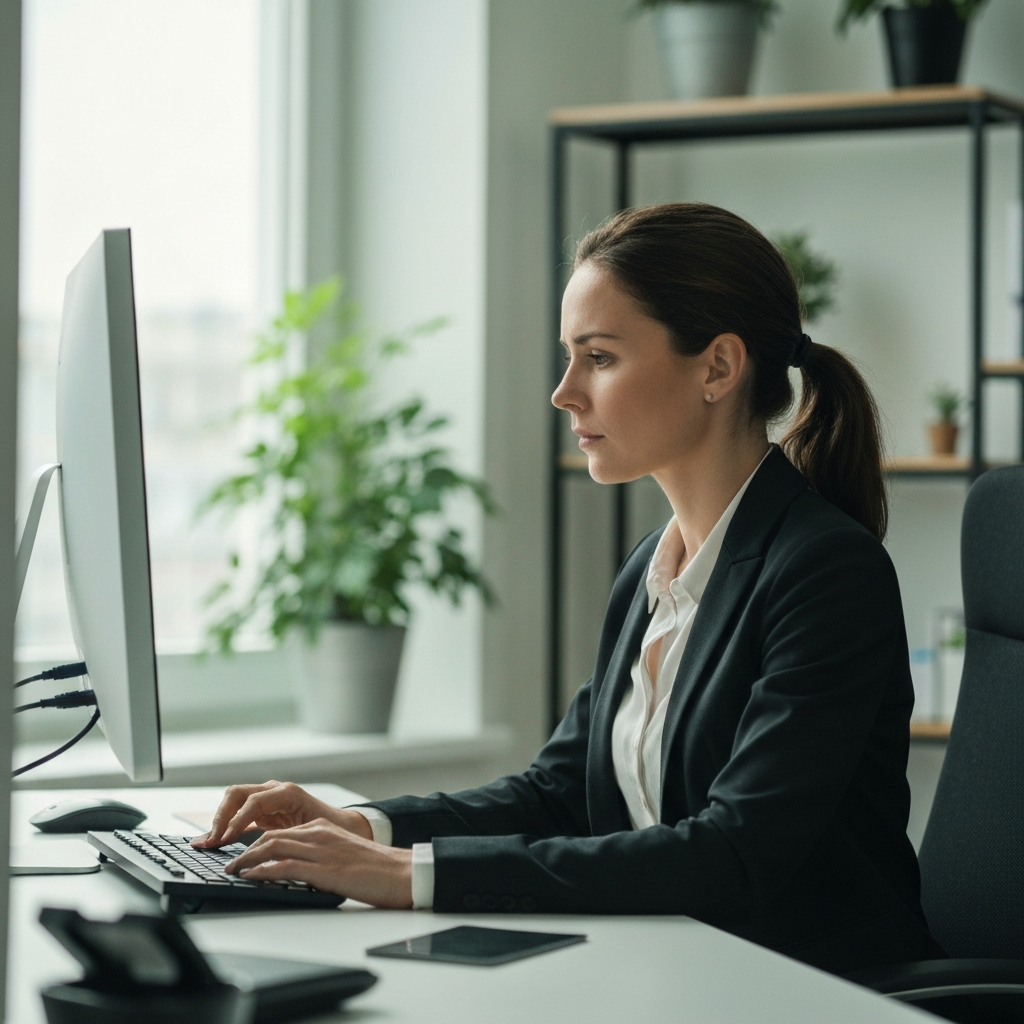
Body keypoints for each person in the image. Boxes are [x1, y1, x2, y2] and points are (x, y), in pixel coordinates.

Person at [195, 203, 945, 976]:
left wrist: (410, 879)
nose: (564, 392)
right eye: (570, 356)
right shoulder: (653, 566)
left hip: (811, 989)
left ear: (718, 367)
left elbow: (735, 853)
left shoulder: (824, 571)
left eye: (600, 357)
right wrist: (364, 826)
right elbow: (561, 792)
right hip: (673, 970)